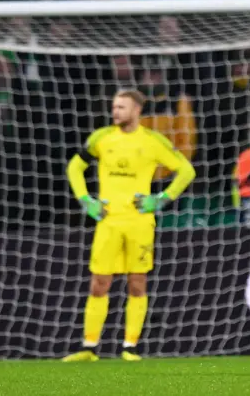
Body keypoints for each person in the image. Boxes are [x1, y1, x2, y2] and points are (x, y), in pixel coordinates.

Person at [62, 89, 196, 362]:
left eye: (121, 107)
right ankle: (89, 348)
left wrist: (160, 199)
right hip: (108, 221)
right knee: (99, 283)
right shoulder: (102, 138)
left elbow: (186, 171)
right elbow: (74, 167)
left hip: (139, 222)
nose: (115, 112)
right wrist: (86, 199)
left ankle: (130, 348)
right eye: (114, 107)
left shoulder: (152, 140)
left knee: (137, 283)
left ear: (136, 110)